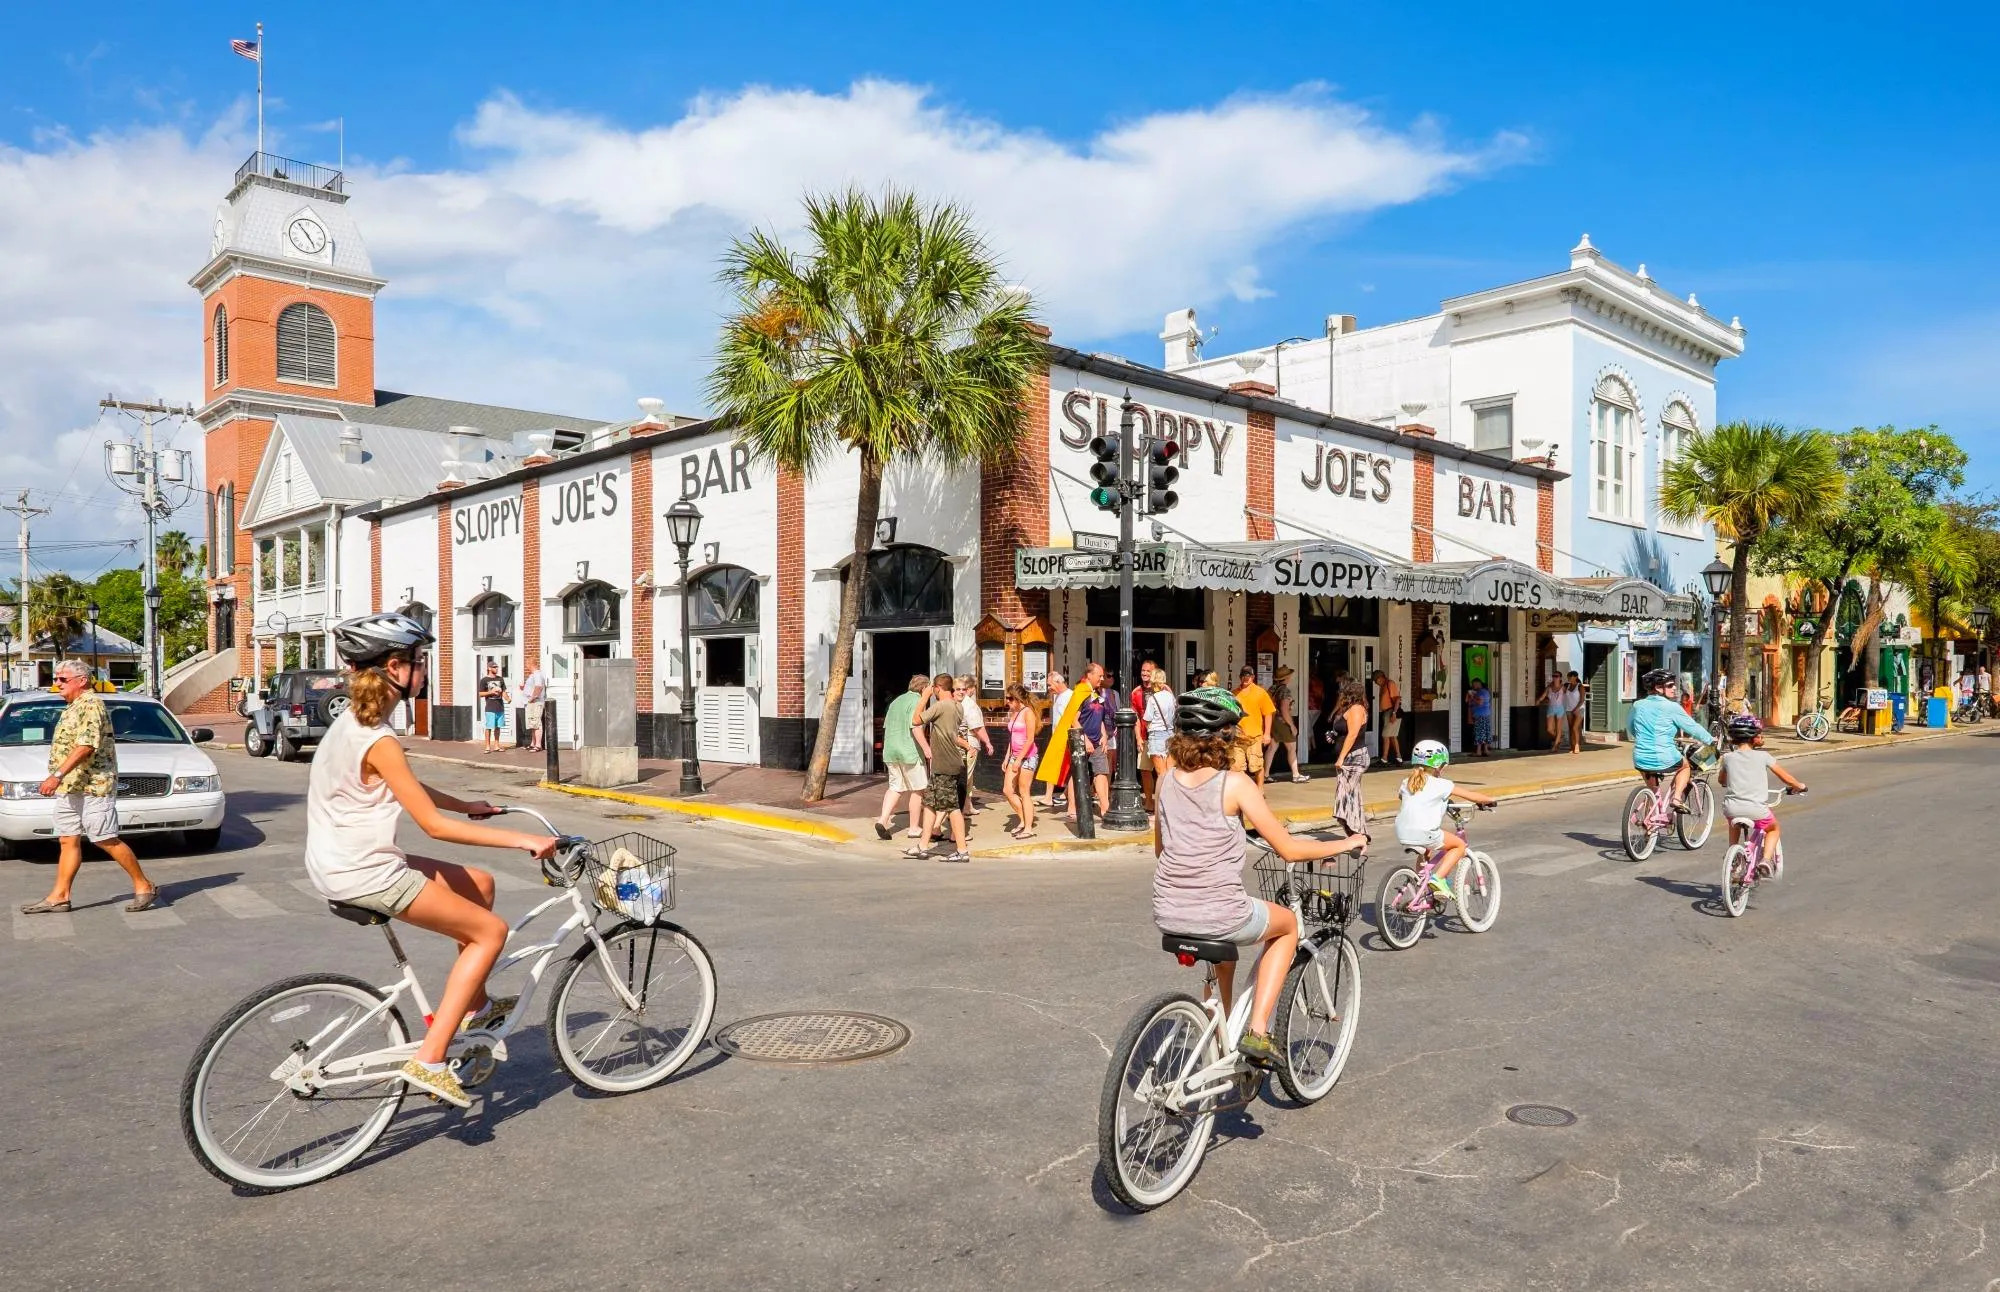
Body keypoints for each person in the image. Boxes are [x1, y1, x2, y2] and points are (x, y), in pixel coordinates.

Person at [302, 613, 556, 1107]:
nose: (425, 672)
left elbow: (405, 788)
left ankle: (475, 1008)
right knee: (492, 932)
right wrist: (521, 840)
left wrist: (469, 805)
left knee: (480, 886)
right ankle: (431, 1058)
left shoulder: (355, 724)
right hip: (364, 871)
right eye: (420, 663)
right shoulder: (379, 738)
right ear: (395, 667)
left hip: (343, 859)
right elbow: (434, 828)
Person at [1151, 686, 1368, 1068]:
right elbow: (1290, 850)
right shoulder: (1234, 784)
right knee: (1285, 927)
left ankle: (1222, 1031)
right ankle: (1258, 1031)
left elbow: (1161, 850)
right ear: (1225, 738)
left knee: (1225, 948)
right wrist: (1345, 842)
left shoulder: (1166, 780)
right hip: (1220, 912)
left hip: (1169, 912)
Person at [19, 660, 160, 916]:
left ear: (81, 680)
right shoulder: (72, 707)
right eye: (56, 678)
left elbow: (86, 746)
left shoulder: (91, 705)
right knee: (67, 839)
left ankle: (144, 885)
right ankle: (60, 897)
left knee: (105, 838)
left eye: (63, 679)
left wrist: (56, 776)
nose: (57, 683)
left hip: (93, 786)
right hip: (71, 787)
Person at [1393, 740, 1497, 907]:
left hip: (1402, 831)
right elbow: (1471, 796)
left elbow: (1411, 800)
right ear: (1438, 766)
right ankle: (1438, 878)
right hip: (1425, 832)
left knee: (1426, 850)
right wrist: (1490, 800)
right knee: (1459, 845)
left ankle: (1421, 883)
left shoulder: (1407, 782)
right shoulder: (1442, 784)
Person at [1717, 714, 1805, 872]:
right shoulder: (1764, 756)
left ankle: (1733, 856)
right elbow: (1786, 778)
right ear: (1752, 737)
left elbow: (1722, 780)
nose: (1761, 736)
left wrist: (1727, 781)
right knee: (1773, 828)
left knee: (1734, 822)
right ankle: (1766, 860)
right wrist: (1800, 785)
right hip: (1756, 810)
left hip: (1731, 808)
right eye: (1759, 733)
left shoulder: (1727, 757)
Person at [1627, 668, 1716, 813]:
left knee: (1653, 792)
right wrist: (1710, 739)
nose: (1674, 688)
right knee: (1685, 766)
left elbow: (1631, 728)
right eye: (1670, 685)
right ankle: (1676, 799)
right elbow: (1692, 727)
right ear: (1658, 688)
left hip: (1640, 757)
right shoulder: (1672, 707)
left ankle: (1649, 827)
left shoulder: (1638, 705)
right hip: (1664, 756)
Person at [909, 673, 972, 862]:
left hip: (944, 764)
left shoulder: (940, 705)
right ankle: (922, 845)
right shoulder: (957, 706)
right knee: (930, 803)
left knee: (951, 807)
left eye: (933, 689)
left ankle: (962, 850)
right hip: (945, 763)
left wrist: (924, 696)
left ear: (937, 688)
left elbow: (916, 720)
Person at [873, 673, 930, 841]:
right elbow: (916, 728)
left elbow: (887, 726)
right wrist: (927, 749)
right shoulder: (918, 702)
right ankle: (913, 828)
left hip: (891, 751)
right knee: (918, 789)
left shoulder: (896, 702)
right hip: (910, 751)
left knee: (895, 787)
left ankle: (882, 820)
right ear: (924, 688)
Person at [1326, 677, 1371, 837]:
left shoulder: (1357, 709)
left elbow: (1352, 735)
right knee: (1349, 794)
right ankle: (1357, 832)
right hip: (1349, 756)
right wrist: (1334, 734)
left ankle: (1357, 832)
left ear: (1349, 694)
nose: (1340, 696)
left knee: (1346, 794)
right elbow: (1344, 731)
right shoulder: (1349, 708)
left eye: (1343, 693)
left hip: (1354, 757)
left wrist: (1341, 758)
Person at [999, 683, 1041, 839]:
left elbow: (1030, 739)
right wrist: (1007, 757)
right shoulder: (1014, 713)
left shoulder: (1027, 712)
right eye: (1007, 699)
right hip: (1014, 756)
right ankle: (1023, 819)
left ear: (1018, 699)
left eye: (1010, 699)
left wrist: (1019, 759)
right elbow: (1012, 738)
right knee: (1007, 790)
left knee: (1024, 792)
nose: (1007, 702)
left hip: (1027, 757)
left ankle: (1028, 828)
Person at [1072, 661, 1113, 820]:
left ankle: (1105, 808)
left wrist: (1103, 734)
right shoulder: (1080, 693)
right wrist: (1085, 740)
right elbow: (1074, 720)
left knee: (1101, 772)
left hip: (1097, 741)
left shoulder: (1096, 694)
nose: (1102, 679)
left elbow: (1100, 717)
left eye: (1103, 676)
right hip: (1081, 742)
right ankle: (1072, 808)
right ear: (1089, 675)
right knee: (1076, 775)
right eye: (1099, 675)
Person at [955, 674, 993, 818]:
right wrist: (988, 742)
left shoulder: (957, 702)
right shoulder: (969, 704)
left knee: (967, 777)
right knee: (966, 776)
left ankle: (967, 806)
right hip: (969, 743)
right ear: (972, 688)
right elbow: (977, 727)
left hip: (959, 742)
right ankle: (959, 809)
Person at [1232, 665, 1276, 786]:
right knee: (1236, 767)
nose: (1246, 678)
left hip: (1255, 737)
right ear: (1240, 677)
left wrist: (1267, 734)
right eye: (1243, 675)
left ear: (1253, 677)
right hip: (1237, 737)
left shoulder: (1260, 692)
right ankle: (1243, 791)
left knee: (1256, 765)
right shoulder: (1234, 694)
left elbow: (1268, 713)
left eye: (1248, 675)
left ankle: (1260, 789)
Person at [1035, 670, 1071, 811]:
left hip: (1064, 737)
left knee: (1061, 767)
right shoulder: (1058, 696)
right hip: (1057, 736)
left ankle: (1052, 796)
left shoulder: (1069, 696)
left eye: (1050, 685)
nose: (1049, 688)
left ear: (1058, 682)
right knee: (1056, 766)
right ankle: (1051, 796)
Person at [1269, 665, 1308, 783]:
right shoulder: (1285, 690)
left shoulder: (1272, 689)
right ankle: (1296, 775)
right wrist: (1292, 725)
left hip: (1272, 720)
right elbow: (1285, 710)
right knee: (1291, 748)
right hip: (1282, 722)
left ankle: (1265, 774)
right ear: (1287, 677)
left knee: (1272, 748)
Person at [478, 659, 508, 753]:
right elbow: (480, 694)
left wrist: (507, 698)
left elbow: (503, 691)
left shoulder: (500, 679)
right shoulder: (484, 680)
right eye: (494, 667)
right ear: (489, 668)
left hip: (500, 706)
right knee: (489, 727)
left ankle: (496, 745)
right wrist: (491, 692)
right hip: (490, 707)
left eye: (497, 667)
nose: (496, 668)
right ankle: (487, 746)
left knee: (498, 727)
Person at [1373, 669, 1403, 765]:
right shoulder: (1383, 686)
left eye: (1375, 680)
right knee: (1392, 736)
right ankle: (1399, 758)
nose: (1375, 683)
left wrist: (1394, 713)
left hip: (1391, 712)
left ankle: (1384, 759)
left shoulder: (1390, 684)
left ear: (1380, 678)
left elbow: (1397, 699)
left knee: (1385, 735)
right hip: (1387, 712)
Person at [518, 659, 548, 753]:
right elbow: (533, 687)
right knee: (532, 724)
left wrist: (532, 697)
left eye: (527, 664)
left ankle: (538, 745)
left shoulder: (537, 674)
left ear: (531, 664)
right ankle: (533, 743)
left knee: (536, 723)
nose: (526, 666)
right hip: (531, 703)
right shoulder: (533, 675)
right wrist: (524, 688)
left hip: (535, 702)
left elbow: (539, 687)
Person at [1466, 678, 1493, 757]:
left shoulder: (1481, 692)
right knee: (1485, 732)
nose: (1473, 686)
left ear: (1478, 683)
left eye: (1474, 684)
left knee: (1479, 733)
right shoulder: (1485, 692)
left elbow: (1480, 702)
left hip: (1480, 716)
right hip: (1485, 715)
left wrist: (1472, 696)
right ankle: (1485, 750)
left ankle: (1478, 751)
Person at [1563, 670, 1585, 754]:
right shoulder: (1567, 686)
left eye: (1570, 677)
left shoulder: (1580, 686)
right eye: (1568, 677)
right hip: (1569, 709)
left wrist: (1576, 708)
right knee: (1570, 728)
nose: (1568, 678)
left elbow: (1582, 700)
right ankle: (1572, 746)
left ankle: (1577, 745)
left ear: (1575, 677)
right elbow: (1561, 692)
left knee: (1575, 727)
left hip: (1579, 709)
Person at [1541, 674, 1565, 749]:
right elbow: (1543, 696)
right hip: (1551, 708)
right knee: (1549, 729)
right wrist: (1538, 701)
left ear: (1560, 677)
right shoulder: (1549, 687)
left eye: (1556, 676)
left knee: (1558, 728)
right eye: (1553, 676)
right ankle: (1559, 738)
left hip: (1560, 708)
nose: (1554, 677)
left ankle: (1555, 746)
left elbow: (1569, 696)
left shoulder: (1563, 687)